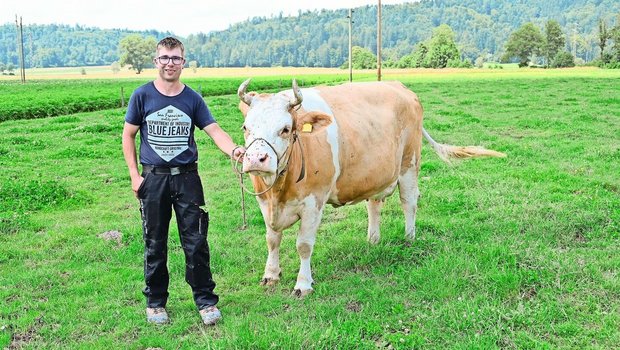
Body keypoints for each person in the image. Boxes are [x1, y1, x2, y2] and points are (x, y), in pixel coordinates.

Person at [122, 36, 245, 326]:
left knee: (196, 241)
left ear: (183, 62)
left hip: (187, 178)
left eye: (175, 58)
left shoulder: (192, 98)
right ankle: (155, 302)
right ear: (156, 61)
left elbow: (214, 130)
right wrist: (134, 176)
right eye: (164, 58)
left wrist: (236, 149)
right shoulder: (142, 96)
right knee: (155, 242)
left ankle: (205, 301)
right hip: (153, 180)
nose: (170, 63)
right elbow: (128, 135)